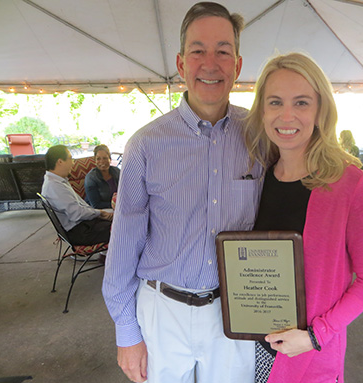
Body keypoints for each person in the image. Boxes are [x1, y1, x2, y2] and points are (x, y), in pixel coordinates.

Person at [102, 3, 262, 383]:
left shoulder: (261, 137)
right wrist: (127, 331)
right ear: (181, 63)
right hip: (161, 312)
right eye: (197, 51)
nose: (211, 63)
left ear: (237, 65)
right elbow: (125, 241)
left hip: (235, 310)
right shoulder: (146, 145)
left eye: (223, 51)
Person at [244, 52, 363, 383]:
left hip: (308, 356)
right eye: (275, 102)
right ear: (262, 110)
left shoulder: (347, 182)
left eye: (302, 103)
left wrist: (315, 335)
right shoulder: (256, 174)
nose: (287, 115)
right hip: (247, 347)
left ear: (321, 110)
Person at [41, 145, 113, 246]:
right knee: (123, 226)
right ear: (60, 162)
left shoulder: (56, 182)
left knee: (117, 219)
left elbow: (79, 208)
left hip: (82, 226)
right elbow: (77, 214)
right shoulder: (54, 186)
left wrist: (99, 213)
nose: (73, 163)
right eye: (71, 159)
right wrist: (99, 213)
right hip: (80, 232)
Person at [84, 144, 120, 208]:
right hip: (97, 211)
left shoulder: (117, 172)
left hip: (116, 207)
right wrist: (116, 204)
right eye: (98, 159)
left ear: (110, 159)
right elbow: (96, 205)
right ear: (95, 160)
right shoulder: (91, 178)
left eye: (105, 158)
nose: (102, 161)